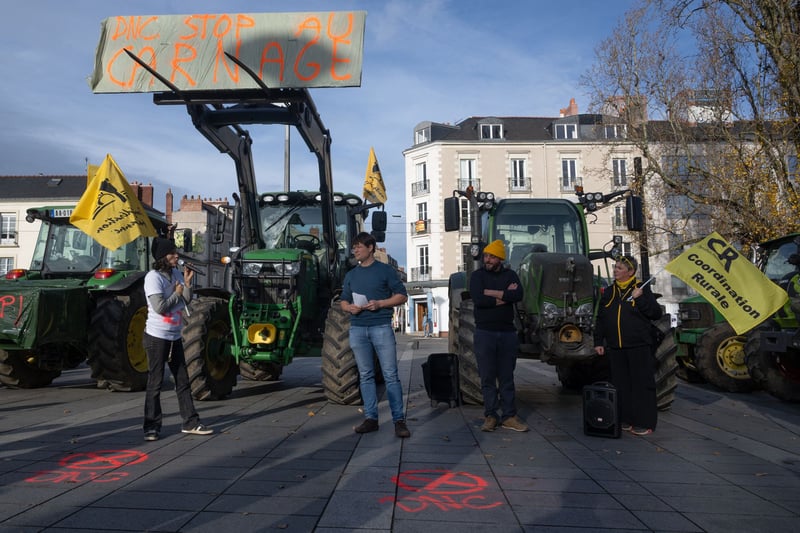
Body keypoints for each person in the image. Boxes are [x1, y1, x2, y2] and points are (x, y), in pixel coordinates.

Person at [142, 237, 213, 441]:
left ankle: (191, 422)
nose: (176, 256)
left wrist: (187, 283)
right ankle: (151, 426)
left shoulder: (174, 273)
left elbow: (186, 300)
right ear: (162, 257)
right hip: (157, 337)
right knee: (155, 383)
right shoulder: (153, 278)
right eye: (172, 253)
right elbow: (160, 307)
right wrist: (177, 292)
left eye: (176, 252)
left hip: (174, 336)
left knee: (183, 381)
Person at [341, 232, 410, 438]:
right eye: (354, 247)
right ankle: (371, 418)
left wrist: (380, 304)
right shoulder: (351, 275)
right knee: (365, 375)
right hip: (358, 329)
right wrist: (349, 308)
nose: (355, 250)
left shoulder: (385, 271)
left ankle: (399, 421)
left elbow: (401, 296)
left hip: (381, 327)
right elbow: (343, 300)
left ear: (371, 248)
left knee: (390, 375)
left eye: (359, 246)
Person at [593, 255, 662, 436]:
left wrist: (639, 299)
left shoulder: (641, 289)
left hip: (638, 345)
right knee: (621, 385)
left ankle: (644, 422)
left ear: (630, 272)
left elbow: (655, 313)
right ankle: (625, 418)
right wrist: (598, 341)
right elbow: (601, 318)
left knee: (641, 384)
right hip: (616, 347)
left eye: (619, 268)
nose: (615, 270)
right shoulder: (608, 292)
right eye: (615, 267)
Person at [469, 239, 528, 432]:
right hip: (484, 331)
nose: (487, 259)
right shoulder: (477, 276)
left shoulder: (510, 275)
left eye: (492, 256)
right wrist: (503, 296)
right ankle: (491, 415)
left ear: (500, 258)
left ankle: (509, 416)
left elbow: (518, 295)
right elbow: (478, 299)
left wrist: (492, 293)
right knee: (487, 376)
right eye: (486, 256)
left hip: (507, 332)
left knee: (506, 376)